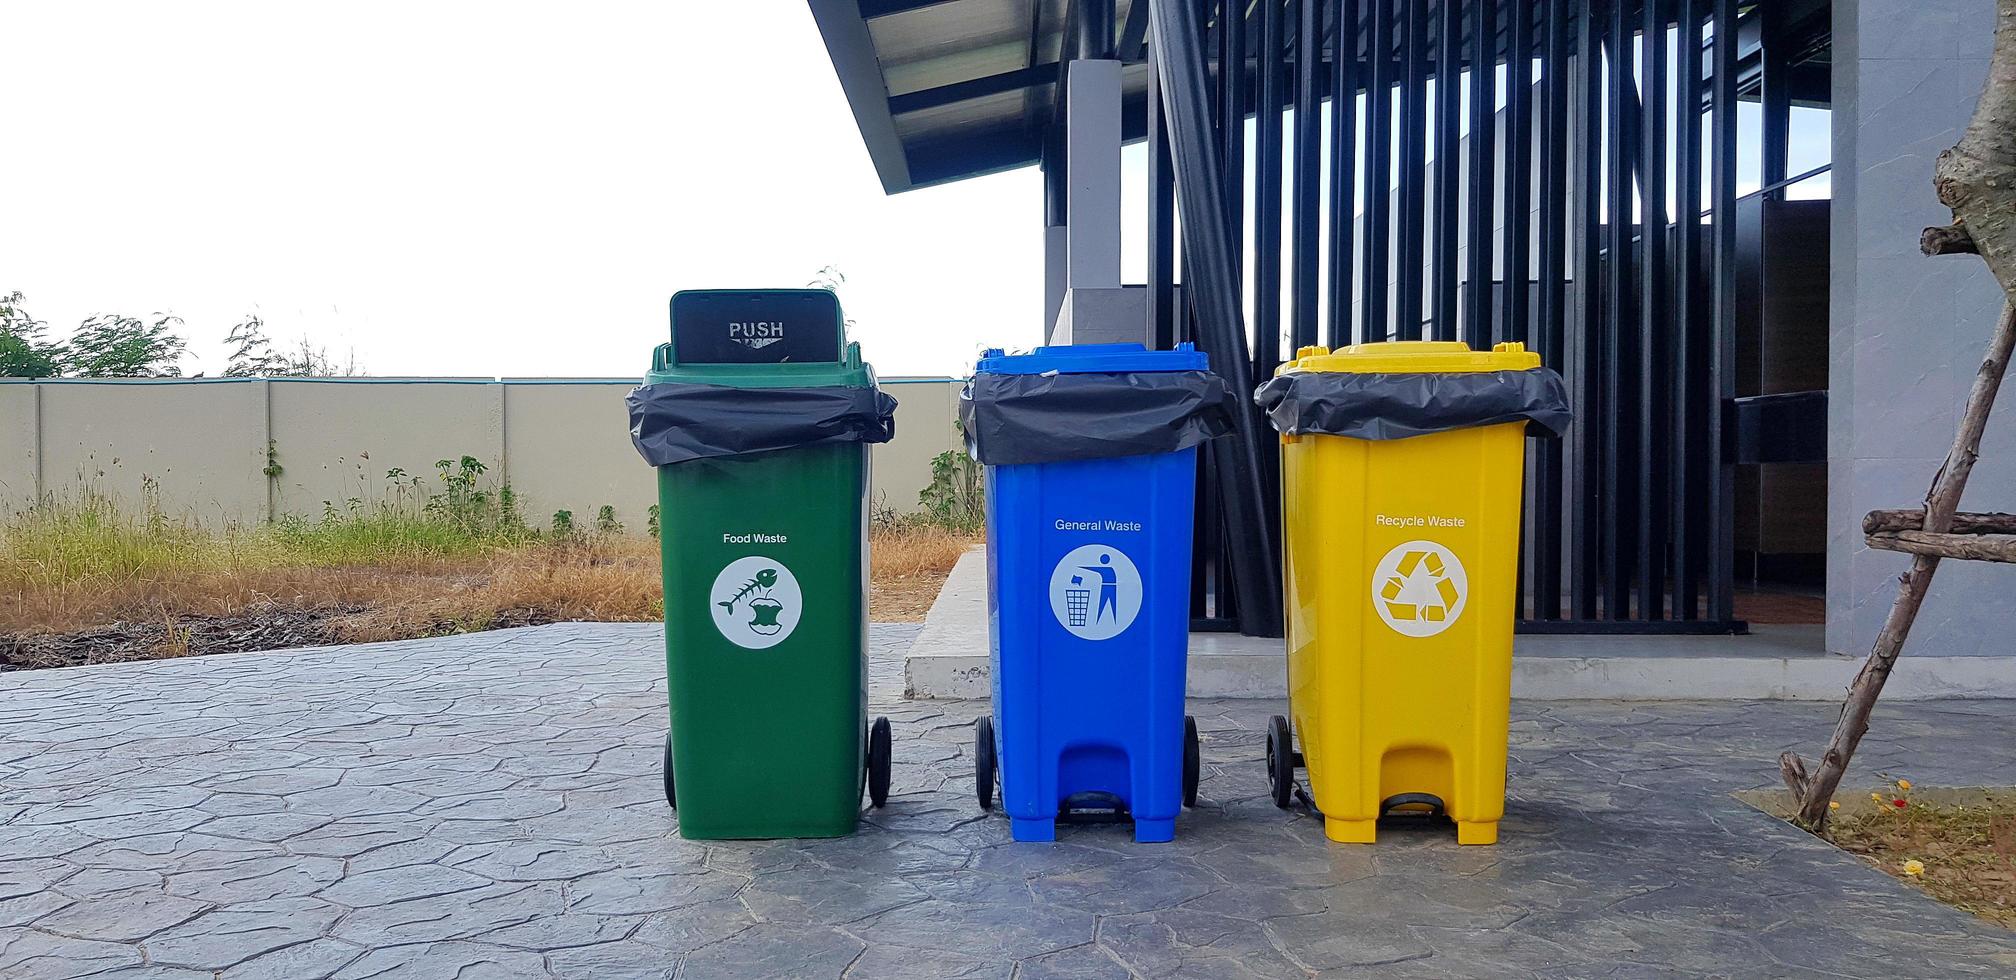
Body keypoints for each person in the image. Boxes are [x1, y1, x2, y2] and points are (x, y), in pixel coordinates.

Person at [1080, 553, 1120, 623]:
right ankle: (1098, 621)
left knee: (1111, 605)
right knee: (1102, 606)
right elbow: (1097, 569)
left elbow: (1097, 569)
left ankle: (1113, 621)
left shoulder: (1109, 570)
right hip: (1107, 586)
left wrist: (1084, 567)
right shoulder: (1110, 570)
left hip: (1110, 587)